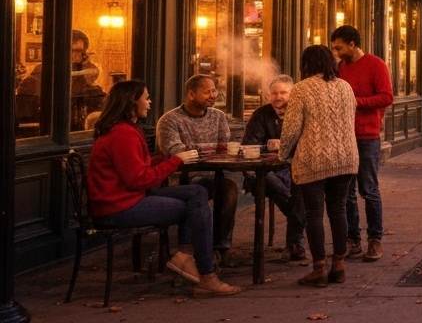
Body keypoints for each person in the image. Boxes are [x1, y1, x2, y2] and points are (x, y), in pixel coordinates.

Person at [87, 80, 240, 295]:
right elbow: (139, 179)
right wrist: (175, 161)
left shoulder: (124, 130)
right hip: (118, 208)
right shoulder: (122, 133)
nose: (150, 102)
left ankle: (185, 256)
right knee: (195, 206)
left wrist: (160, 160)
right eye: (146, 98)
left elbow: (136, 169)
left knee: (198, 192)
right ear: (132, 101)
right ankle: (207, 274)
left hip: (127, 198)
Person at [280, 45, 359, 287]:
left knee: (314, 213)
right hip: (345, 157)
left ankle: (319, 269)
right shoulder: (345, 87)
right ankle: (339, 266)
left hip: (313, 158)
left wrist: (283, 154)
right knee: (338, 210)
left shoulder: (301, 89)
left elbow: (291, 128)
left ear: (306, 64)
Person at [156, 74, 238, 265]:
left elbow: (224, 147)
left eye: (214, 91)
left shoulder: (218, 116)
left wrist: (199, 151)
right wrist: (209, 150)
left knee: (229, 188)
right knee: (198, 190)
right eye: (207, 92)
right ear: (191, 95)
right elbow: (175, 152)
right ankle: (189, 251)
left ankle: (220, 247)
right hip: (179, 180)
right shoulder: (170, 120)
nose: (213, 95)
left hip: (211, 176)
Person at [329, 25, 390, 262]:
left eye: (339, 48)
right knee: (346, 192)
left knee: (369, 189)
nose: (336, 52)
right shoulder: (339, 68)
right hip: (343, 137)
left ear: (352, 44)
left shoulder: (376, 65)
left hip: (367, 137)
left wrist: (356, 102)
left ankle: (375, 239)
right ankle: (352, 239)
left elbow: (387, 96)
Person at [241, 74, 307, 263]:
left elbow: (309, 145)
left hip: (295, 170)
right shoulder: (260, 115)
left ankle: (294, 242)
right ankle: (297, 239)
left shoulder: (300, 114)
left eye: (283, 93)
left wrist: (287, 146)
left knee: (300, 185)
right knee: (275, 184)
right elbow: (247, 147)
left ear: (292, 94)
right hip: (263, 172)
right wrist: (266, 146)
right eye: (274, 93)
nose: (278, 97)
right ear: (268, 96)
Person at [70, 31, 106, 132]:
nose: (77, 55)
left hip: (79, 125)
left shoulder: (82, 68)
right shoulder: (46, 69)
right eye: (74, 50)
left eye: (80, 51)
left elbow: (88, 91)